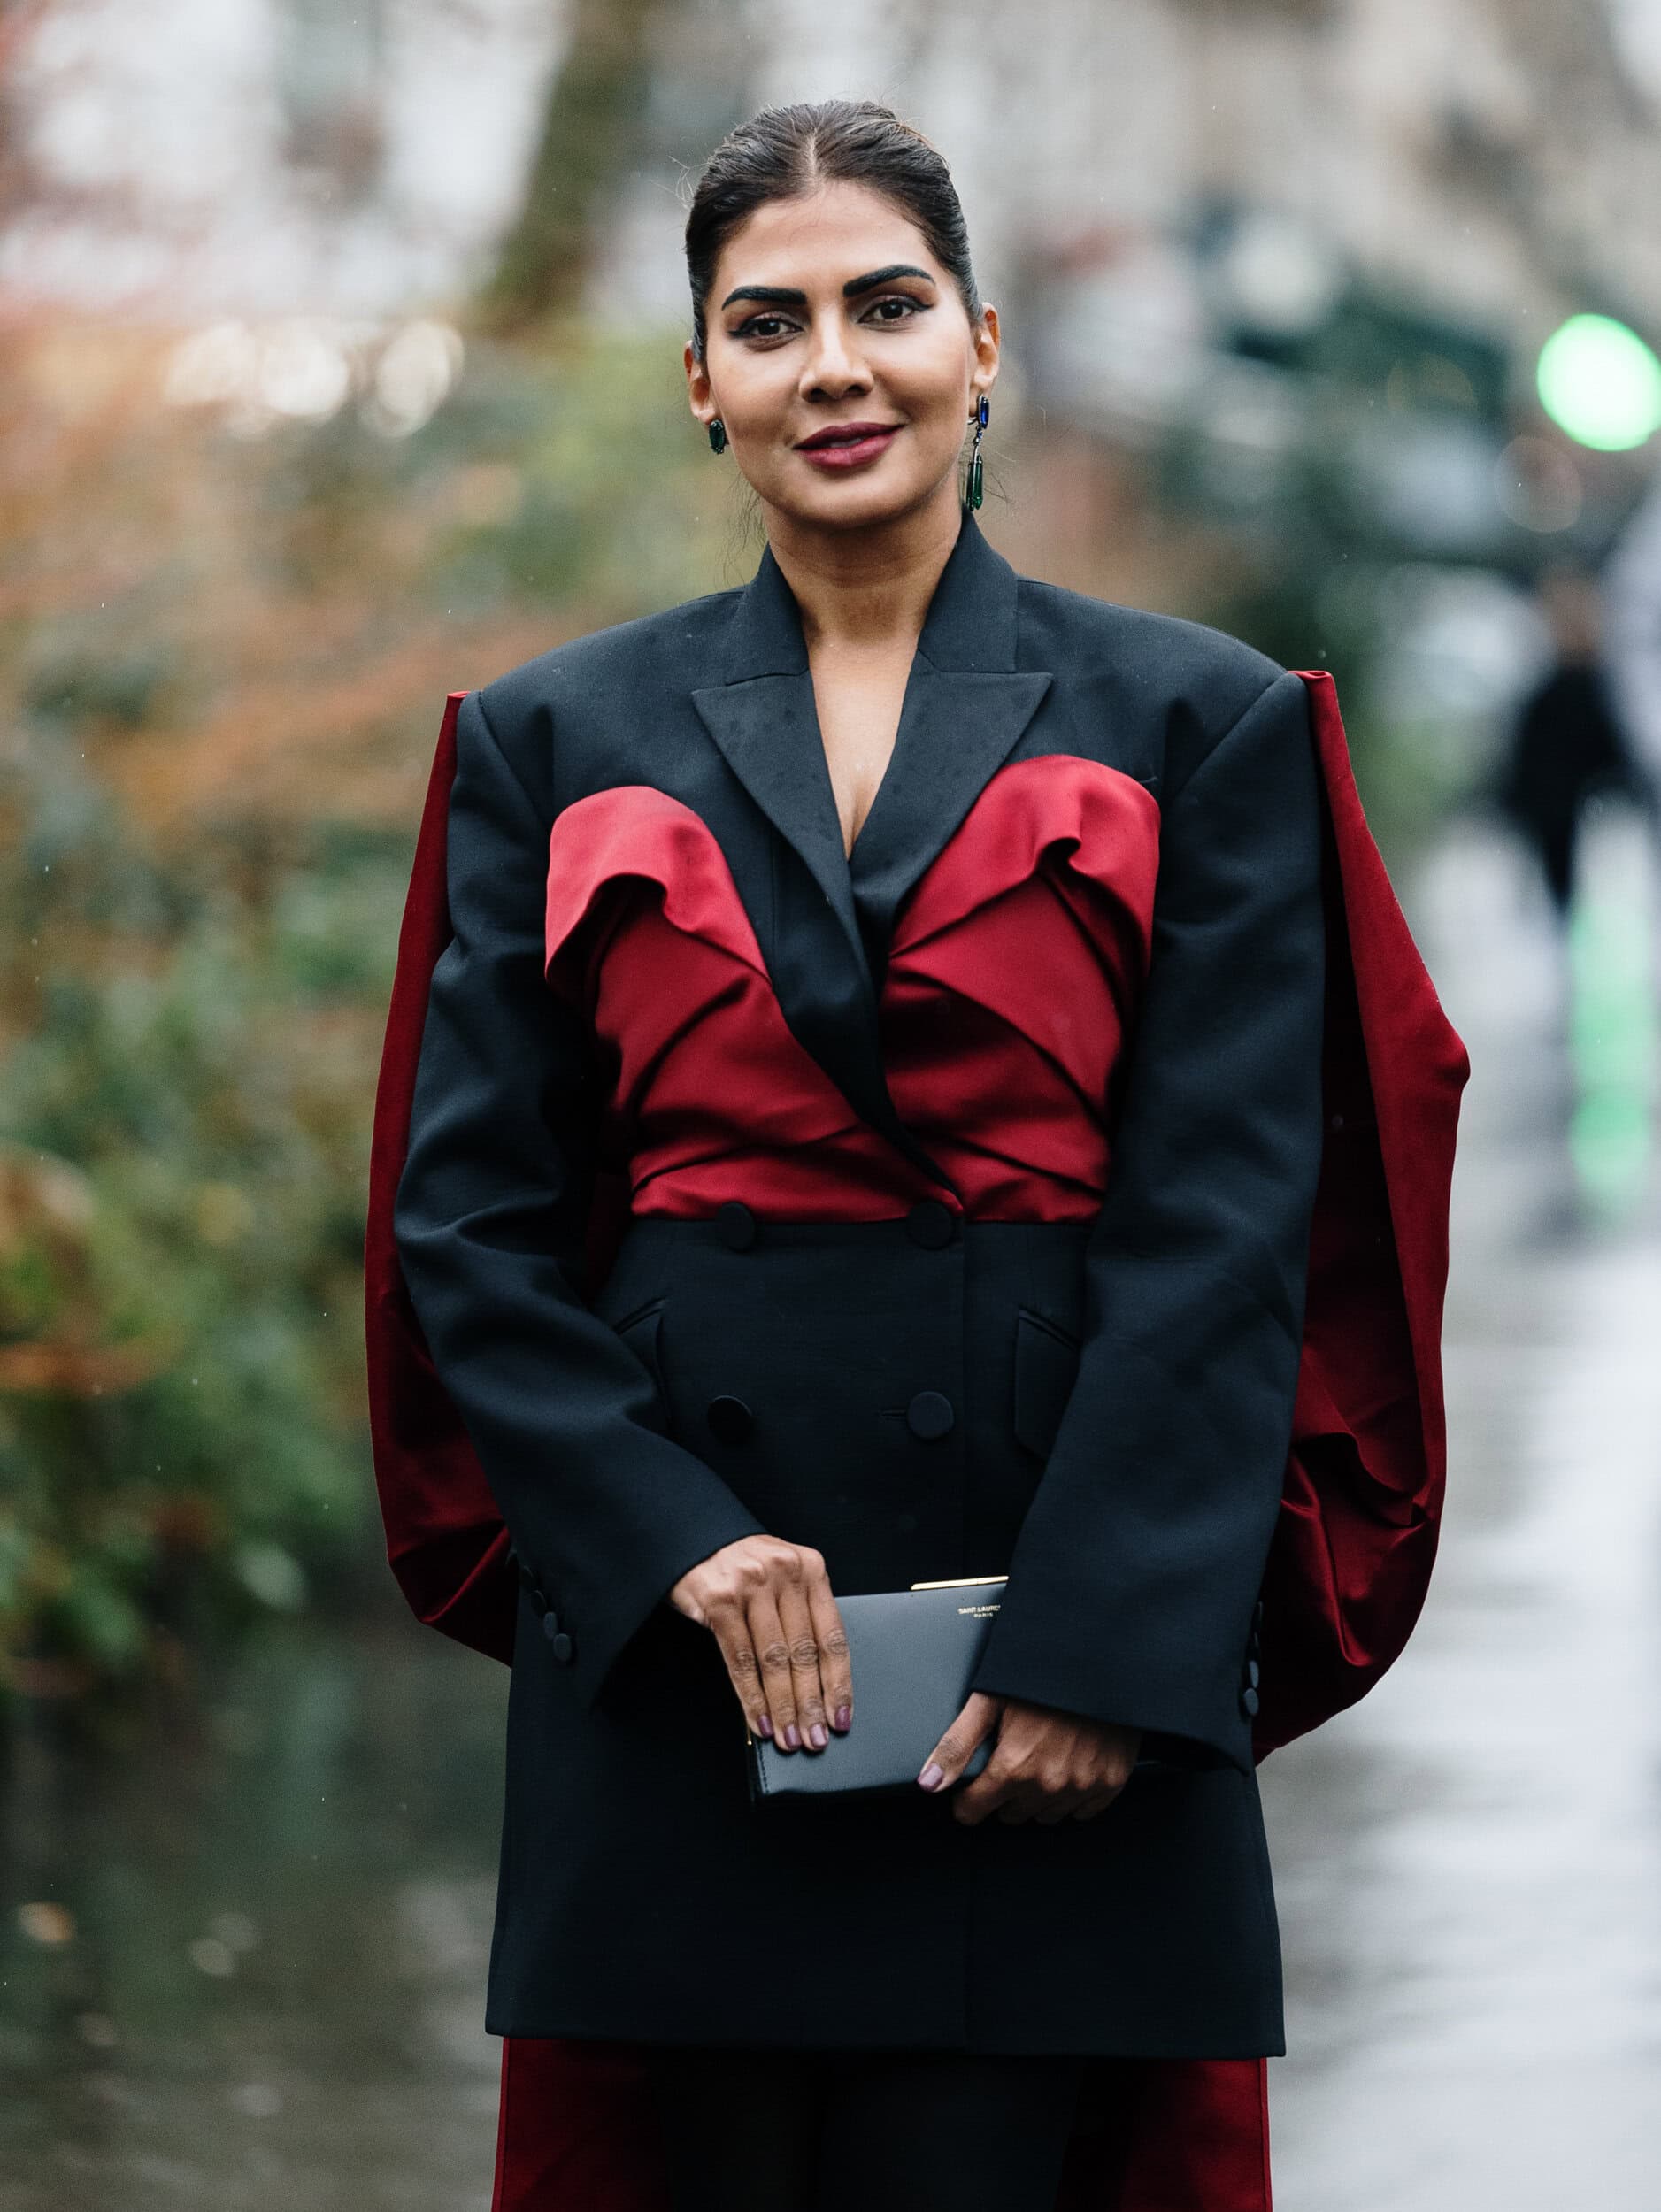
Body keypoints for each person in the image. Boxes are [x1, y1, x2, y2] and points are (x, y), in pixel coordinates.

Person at [366, 100, 1468, 2212]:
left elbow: (1227, 1224)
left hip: (1053, 1649)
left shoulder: (1204, 723)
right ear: (703, 381)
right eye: (768, 322)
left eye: (885, 305)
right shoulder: (544, 738)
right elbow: (468, 1226)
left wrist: (1103, 1646)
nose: (834, 366)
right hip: (687, 1643)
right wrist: (670, 1537)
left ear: (983, 342)